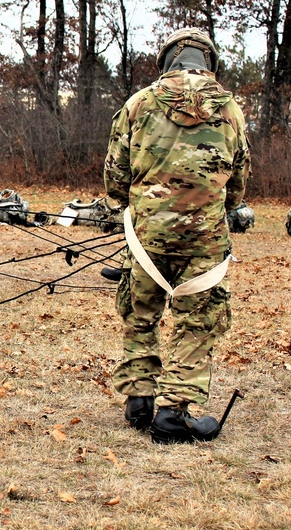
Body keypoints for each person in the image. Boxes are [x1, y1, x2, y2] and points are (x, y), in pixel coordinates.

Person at [104, 28, 250, 444]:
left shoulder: (138, 104)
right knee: (197, 321)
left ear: (167, 60)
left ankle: (139, 400)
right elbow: (237, 188)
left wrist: (141, 204)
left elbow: (115, 178)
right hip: (205, 239)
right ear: (208, 61)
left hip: (147, 237)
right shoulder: (232, 111)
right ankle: (174, 414)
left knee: (140, 312)